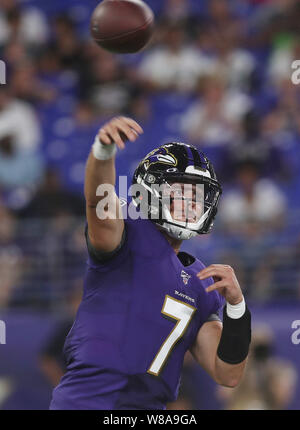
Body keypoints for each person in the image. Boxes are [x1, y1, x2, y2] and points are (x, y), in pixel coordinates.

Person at [50, 117, 251, 410]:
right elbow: (98, 203)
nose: (191, 203)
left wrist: (237, 308)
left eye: (197, 195)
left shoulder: (201, 279)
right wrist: (104, 152)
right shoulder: (128, 232)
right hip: (89, 403)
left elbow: (228, 373)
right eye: (180, 192)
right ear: (150, 192)